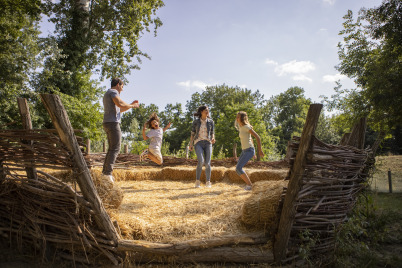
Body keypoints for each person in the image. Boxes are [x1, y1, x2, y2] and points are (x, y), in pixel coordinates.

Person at [102, 78, 139, 183]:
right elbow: (120, 104)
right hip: (113, 123)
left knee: (111, 149)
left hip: (108, 123)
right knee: (115, 148)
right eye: (122, 87)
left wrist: (131, 105)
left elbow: (120, 109)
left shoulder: (107, 93)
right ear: (118, 84)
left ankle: (105, 173)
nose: (122, 89)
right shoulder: (113, 92)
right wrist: (132, 105)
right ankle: (107, 173)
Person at [235, 111, 264, 190]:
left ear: (242, 118)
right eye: (236, 117)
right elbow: (251, 139)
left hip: (249, 150)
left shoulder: (246, 127)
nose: (237, 118)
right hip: (245, 150)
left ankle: (249, 185)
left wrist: (259, 150)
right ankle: (249, 184)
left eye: (238, 117)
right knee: (237, 169)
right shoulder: (241, 128)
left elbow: (257, 137)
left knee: (238, 168)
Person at [189, 105, 215, 188]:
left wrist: (213, 138)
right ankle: (197, 181)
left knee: (207, 163)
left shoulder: (211, 122)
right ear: (201, 112)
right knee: (200, 161)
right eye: (206, 111)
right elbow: (192, 133)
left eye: (208, 110)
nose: (207, 112)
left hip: (208, 143)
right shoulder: (196, 122)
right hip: (198, 142)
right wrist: (191, 144)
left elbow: (212, 132)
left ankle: (208, 182)